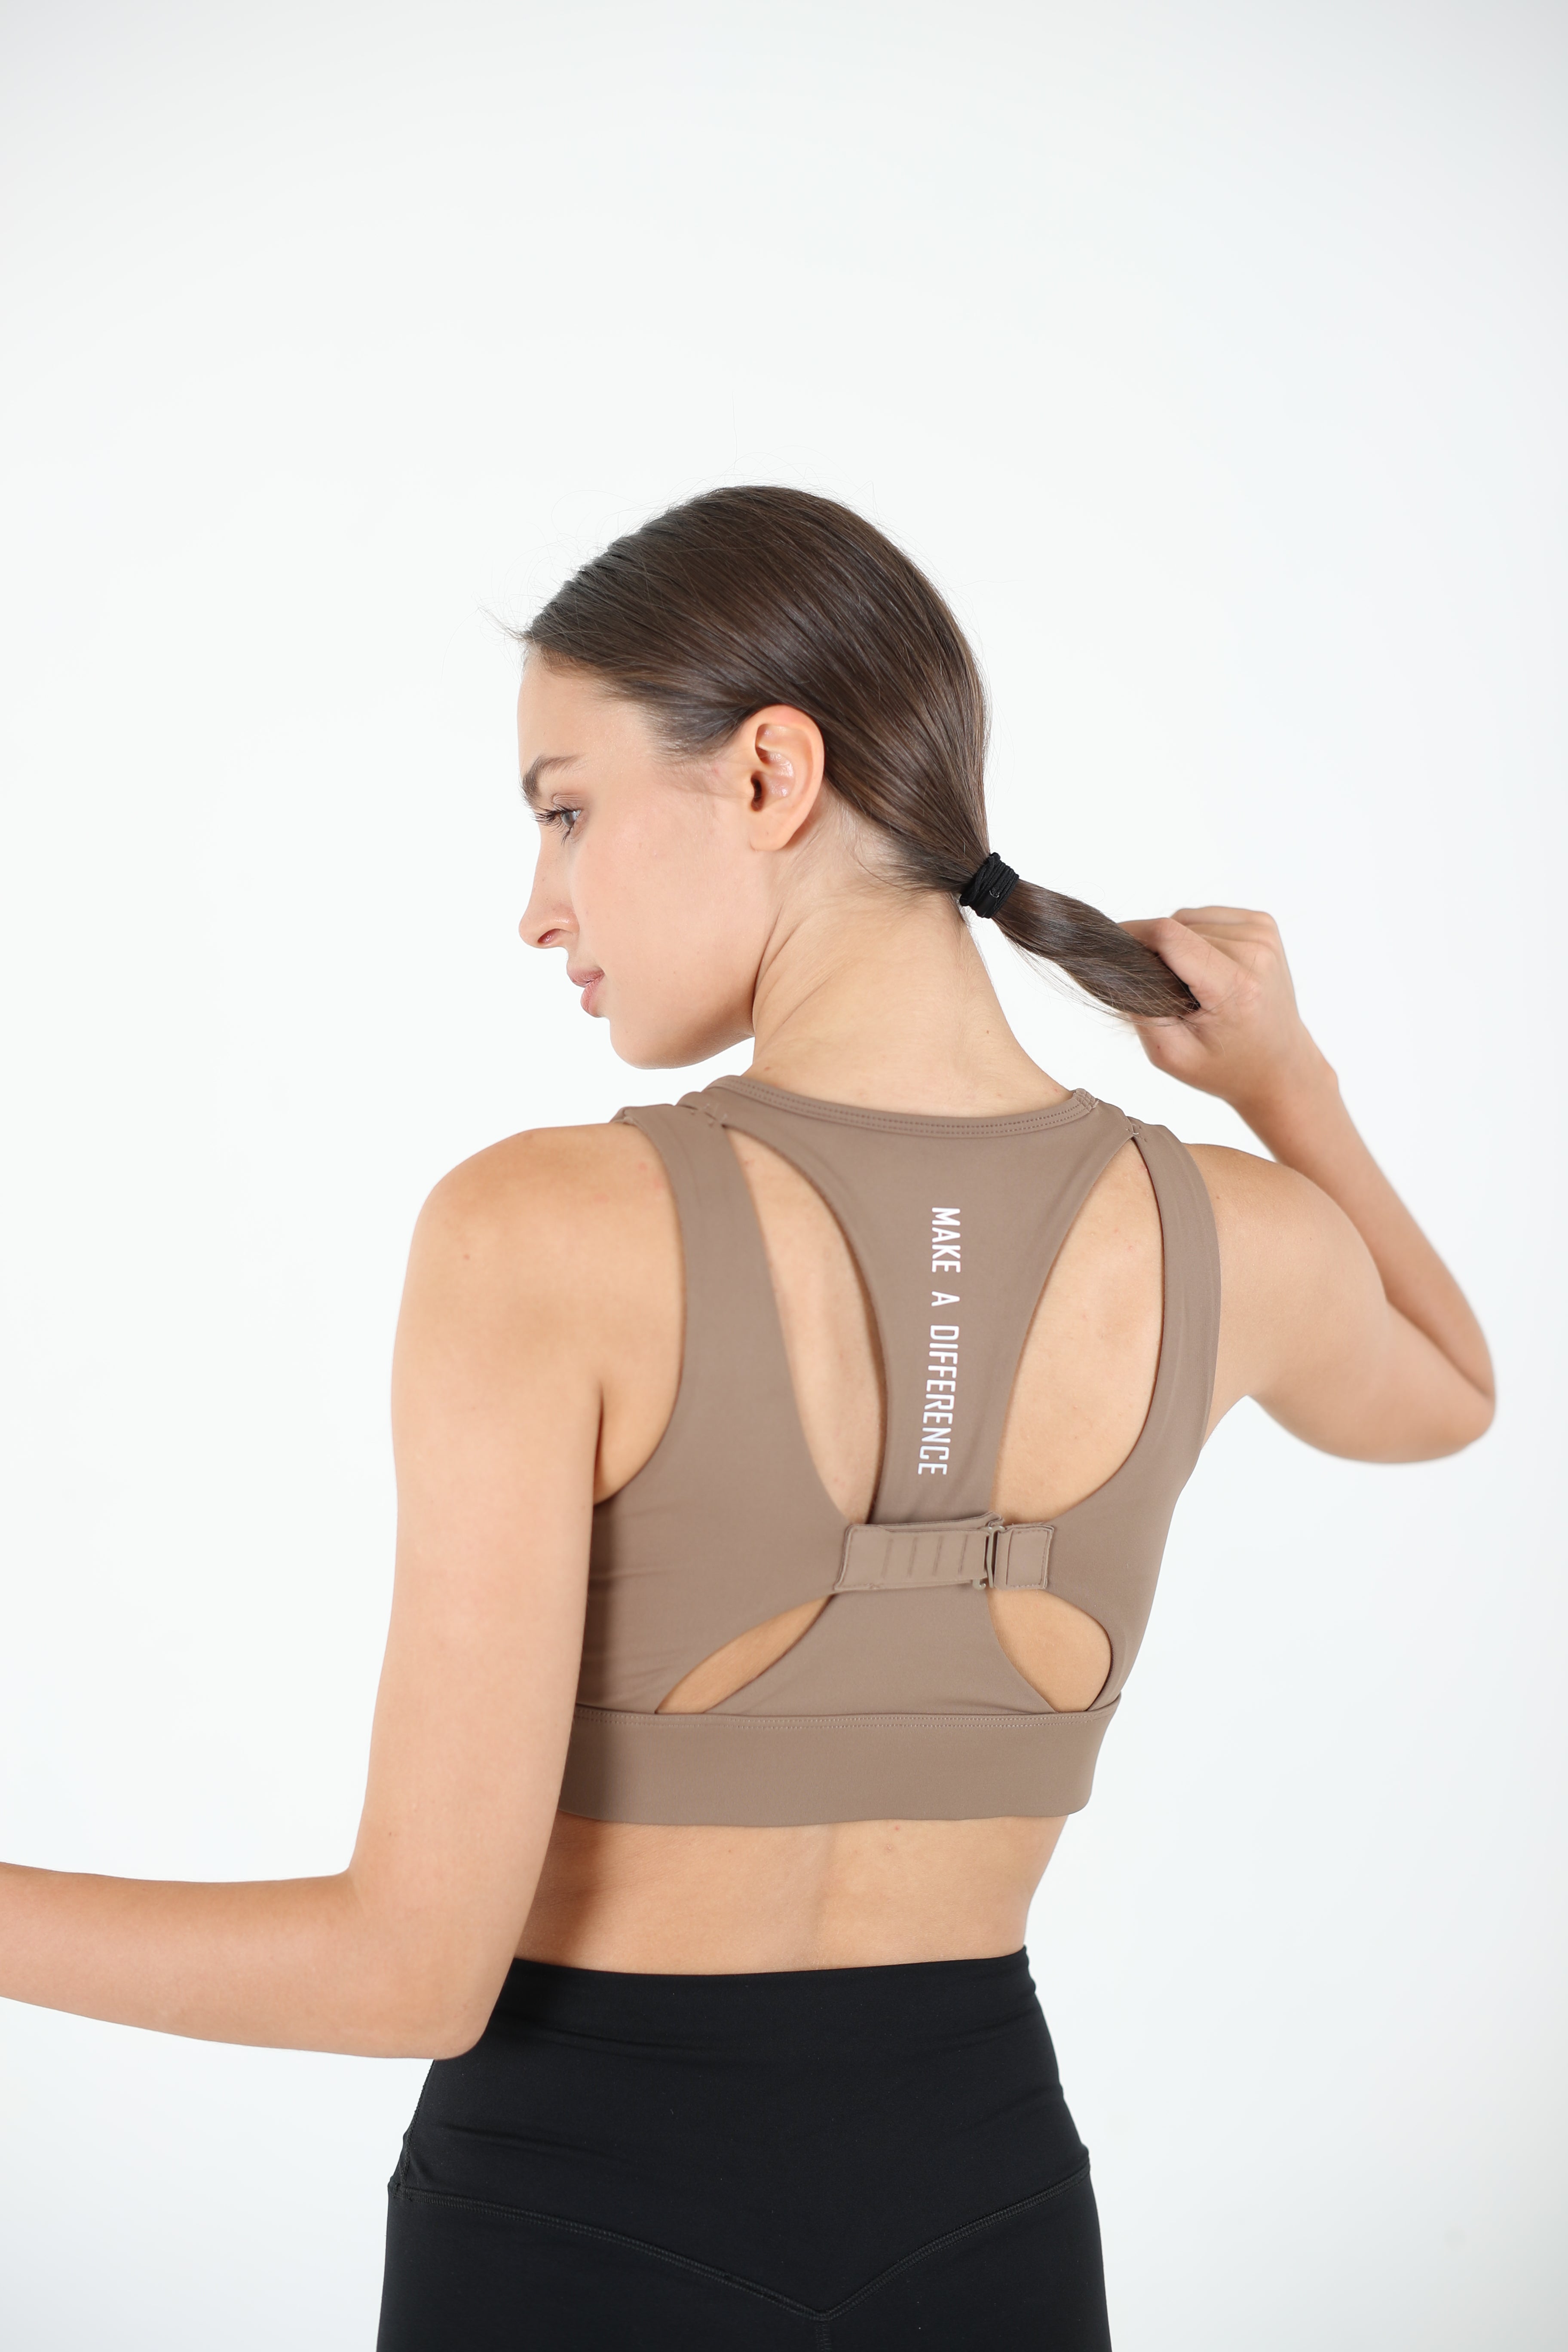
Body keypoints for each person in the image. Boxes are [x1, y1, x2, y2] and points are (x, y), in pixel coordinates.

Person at [0, 487, 1493, 2349]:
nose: (538, 905)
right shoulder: (1236, 1240)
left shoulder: (542, 1233)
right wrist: (1288, 1087)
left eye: (566, 809)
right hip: (990, 2220)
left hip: (574, 2227)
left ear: (773, 772)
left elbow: (407, 1973)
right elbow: (1450, 1392)